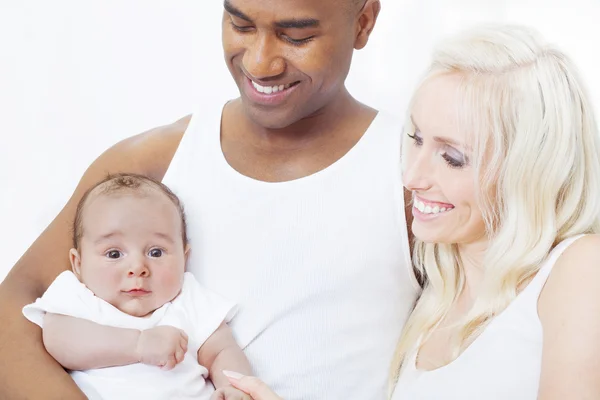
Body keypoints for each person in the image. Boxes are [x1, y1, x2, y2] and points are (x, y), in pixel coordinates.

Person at [0, 1, 420, 399]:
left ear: (363, 21)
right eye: (240, 25)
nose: (259, 62)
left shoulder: (416, 176)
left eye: (295, 36)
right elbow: (13, 309)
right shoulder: (150, 167)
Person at [221, 24, 600, 400]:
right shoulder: (435, 302)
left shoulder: (579, 268)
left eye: (452, 158)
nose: (412, 176)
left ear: (531, 171)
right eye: (416, 139)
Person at [20, 173, 253, 400]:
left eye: (156, 252)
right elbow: (59, 340)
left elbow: (222, 352)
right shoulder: (78, 295)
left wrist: (236, 389)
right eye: (114, 253)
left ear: (184, 257)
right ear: (78, 264)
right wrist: (138, 345)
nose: (137, 267)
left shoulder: (189, 299)